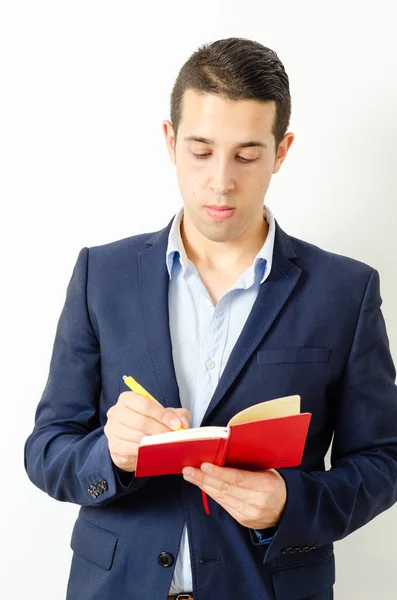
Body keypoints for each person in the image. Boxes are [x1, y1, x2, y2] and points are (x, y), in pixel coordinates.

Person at [24, 37, 397, 600]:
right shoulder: (101, 275)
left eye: (247, 155)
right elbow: (47, 448)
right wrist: (113, 454)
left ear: (282, 151)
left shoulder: (345, 290)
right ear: (170, 141)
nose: (221, 181)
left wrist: (292, 504)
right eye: (201, 152)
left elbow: (383, 457)